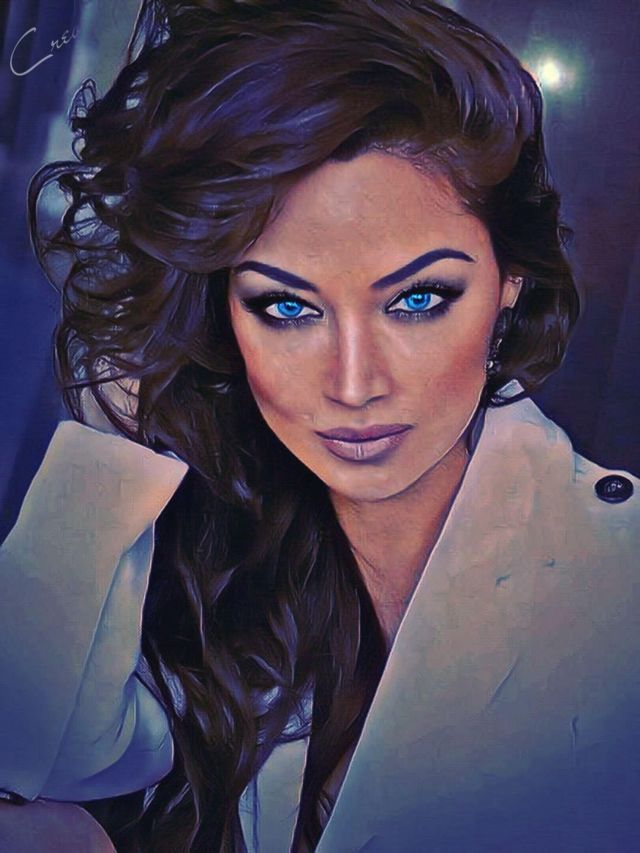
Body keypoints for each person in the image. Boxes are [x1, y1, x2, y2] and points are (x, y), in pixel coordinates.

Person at [1, 1, 639, 851]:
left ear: (510, 280)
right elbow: (25, 756)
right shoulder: (233, 547)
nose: (353, 384)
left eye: (418, 298)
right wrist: (121, 432)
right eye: (287, 307)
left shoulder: (618, 588)